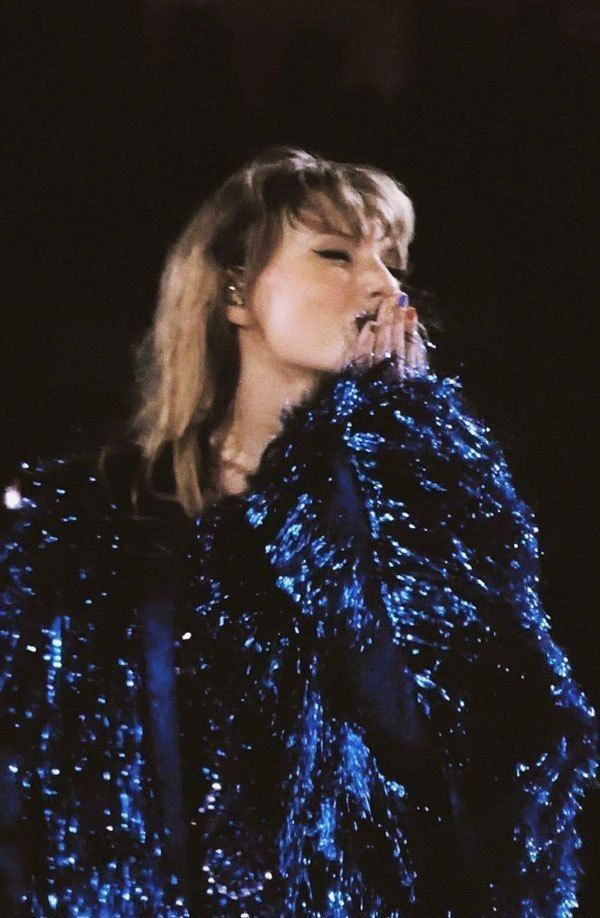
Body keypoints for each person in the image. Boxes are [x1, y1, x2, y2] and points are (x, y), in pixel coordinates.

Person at [0, 146, 596, 916]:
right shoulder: (89, 516)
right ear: (237, 290)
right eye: (335, 255)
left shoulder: (432, 496)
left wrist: (396, 450)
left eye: (390, 262)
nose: (381, 285)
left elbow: (483, 758)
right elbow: (28, 783)